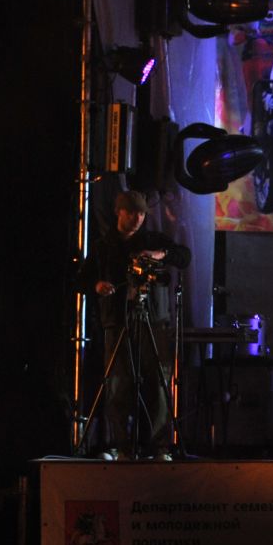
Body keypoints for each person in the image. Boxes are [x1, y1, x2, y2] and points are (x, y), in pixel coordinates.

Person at [75, 189, 191, 458]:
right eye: (132, 213)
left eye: (141, 213)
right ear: (119, 212)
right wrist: (97, 285)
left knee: (158, 384)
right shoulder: (104, 246)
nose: (138, 218)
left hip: (153, 321)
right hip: (117, 322)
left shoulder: (151, 240)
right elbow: (80, 279)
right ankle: (122, 446)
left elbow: (183, 256)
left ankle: (160, 447)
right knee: (118, 385)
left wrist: (159, 254)